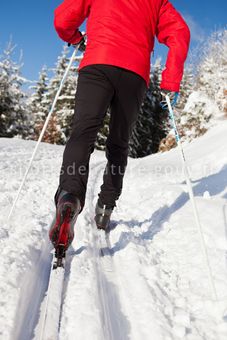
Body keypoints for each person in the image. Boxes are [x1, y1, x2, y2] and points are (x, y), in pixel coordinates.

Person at [49, 0, 190, 252]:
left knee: (82, 134)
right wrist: (170, 81)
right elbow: (180, 32)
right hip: (134, 74)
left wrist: (74, 38)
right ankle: (105, 207)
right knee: (118, 142)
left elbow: (62, 18)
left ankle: (69, 195)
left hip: (98, 63)